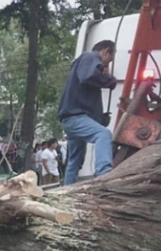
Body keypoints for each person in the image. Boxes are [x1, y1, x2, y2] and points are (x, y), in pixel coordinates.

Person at [58, 39, 117, 185]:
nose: (105, 66)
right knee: (103, 134)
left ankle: (67, 192)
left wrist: (99, 118)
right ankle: (104, 175)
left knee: (75, 161)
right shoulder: (90, 57)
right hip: (76, 117)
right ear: (105, 51)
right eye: (108, 61)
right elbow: (88, 77)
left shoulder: (81, 63)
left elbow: (84, 92)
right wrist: (109, 80)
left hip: (70, 118)